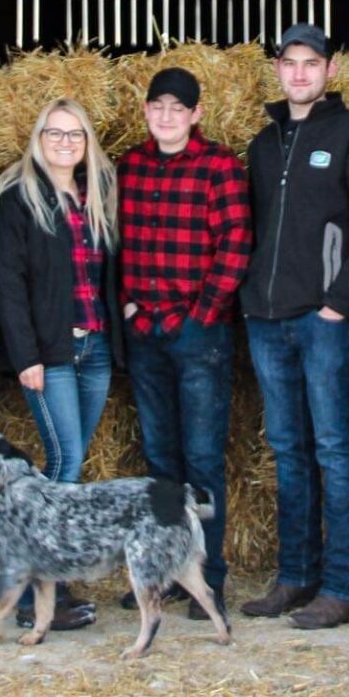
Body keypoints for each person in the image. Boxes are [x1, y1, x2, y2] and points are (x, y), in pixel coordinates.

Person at [238, 24, 349, 630]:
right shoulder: (262, 145)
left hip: (322, 319)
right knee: (287, 449)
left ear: (331, 71)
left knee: (333, 446)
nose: (300, 73)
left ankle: (340, 585)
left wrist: (340, 301)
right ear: (277, 69)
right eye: (290, 63)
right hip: (266, 319)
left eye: (312, 63)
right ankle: (295, 576)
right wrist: (251, 298)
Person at [117, 67, 252, 619]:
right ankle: (165, 574)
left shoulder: (219, 166)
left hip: (197, 334)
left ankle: (208, 578)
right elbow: (114, 239)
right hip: (145, 333)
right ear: (146, 110)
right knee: (161, 462)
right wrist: (127, 302)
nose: (167, 115)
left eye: (179, 107)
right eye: (158, 106)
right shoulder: (130, 165)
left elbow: (236, 245)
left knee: (201, 462)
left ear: (196, 114)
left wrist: (201, 315)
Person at [0, 97, 122, 631]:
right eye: (54, 133)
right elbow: (8, 284)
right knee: (63, 461)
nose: (65, 143)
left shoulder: (96, 196)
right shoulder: (18, 198)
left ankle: (49, 585)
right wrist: (26, 357)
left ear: (87, 142)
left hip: (95, 348)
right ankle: (31, 594)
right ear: (38, 138)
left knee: (71, 466)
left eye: (75, 135)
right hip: (51, 351)